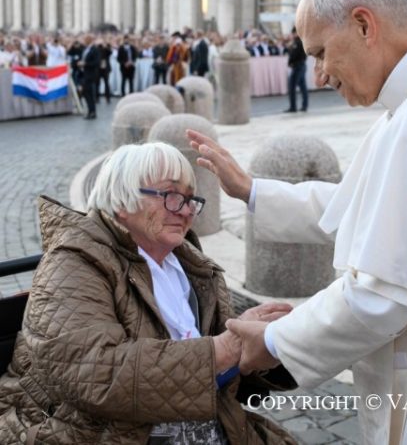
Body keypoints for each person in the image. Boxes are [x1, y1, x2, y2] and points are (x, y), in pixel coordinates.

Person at [188, 0, 407, 445]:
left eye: (319, 52)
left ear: (363, 25)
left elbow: (382, 294)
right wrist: (252, 190)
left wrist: (275, 341)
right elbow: (369, 210)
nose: (318, 75)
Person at [0, 142, 297, 445]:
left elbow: (220, 367)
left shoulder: (191, 266)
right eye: (170, 195)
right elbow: (96, 374)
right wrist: (227, 348)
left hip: (203, 424)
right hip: (92, 432)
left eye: (190, 199)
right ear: (122, 199)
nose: (186, 211)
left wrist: (257, 344)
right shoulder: (73, 263)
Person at [284, 27, 308, 113]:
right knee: (303, 87)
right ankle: (304, 106)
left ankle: (293, 107)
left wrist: (290, 62)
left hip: (297, 66)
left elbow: (294, 54)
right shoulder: (302, 41)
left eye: (293, 33)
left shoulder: (297, 42)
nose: (292, 35)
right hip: (301, 65)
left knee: (292, 86)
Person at [78, 33, 100, 119]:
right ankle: (91, 111)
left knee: (89, 93)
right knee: (86, 93)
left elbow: (96, 62)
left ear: (89, 40)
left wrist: (85, 64)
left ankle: (92, 111)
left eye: (85, 39)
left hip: (90, 74)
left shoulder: (95, 50)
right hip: (84, 73)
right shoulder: (85, 49)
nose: (84, 41)